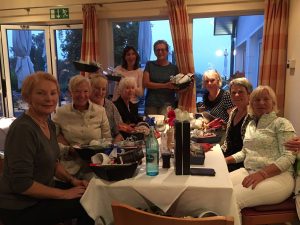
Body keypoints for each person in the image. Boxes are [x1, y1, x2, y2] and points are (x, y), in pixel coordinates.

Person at [0, 72, 94, 225]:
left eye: (53, 93)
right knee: (88, 206)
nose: (49, 98)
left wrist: (73, 181)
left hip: (42, 192)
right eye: (40, 93)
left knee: (91, 193)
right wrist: (64, 194)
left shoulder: (48, 123)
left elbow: (54, 163)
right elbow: (21, 184)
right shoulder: (23, 129)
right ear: (27, 97)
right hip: (21, 206)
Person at [226, 85, 296, 210]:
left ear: (273, 103)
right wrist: (224, 160)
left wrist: (262, 174)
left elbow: (288, 157)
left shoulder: (281, 123)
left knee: (231, 199)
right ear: (251, 104)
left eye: (266, 99)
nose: (261, 103)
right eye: (257, 100)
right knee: (220, 189)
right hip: (249, 171)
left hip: (280, 176)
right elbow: (244, 152)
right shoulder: (251, 125)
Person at [52, 75, 111, 177]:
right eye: (77, 91)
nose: (82, 95)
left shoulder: (100, 111)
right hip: (69, 168)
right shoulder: (61, 113)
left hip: (95, 167)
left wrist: (97, 147)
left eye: (85, 91)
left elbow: (107, 139)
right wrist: (68, 149)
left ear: (90, 92)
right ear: (70, 93)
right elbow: (52, 140)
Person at [221, 78, 253, 172]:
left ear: (249, 94)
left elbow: (250, 150)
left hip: (242, 162)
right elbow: (228, 140)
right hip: (228, 155)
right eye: (233, 92)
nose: (236, 95)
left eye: (240, 92)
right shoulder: (233, 112)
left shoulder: (254, 114)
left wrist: (223, 160)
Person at [143, 40, 179, 115]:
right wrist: (165, 85)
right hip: (151, 103)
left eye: (162, 50)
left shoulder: (174, 68)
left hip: (168, 103)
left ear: (167, 51)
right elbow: (146, 83)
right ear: (155, 52)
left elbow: (177, 87)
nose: (160, 52)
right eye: (157, 50)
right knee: (151, 125)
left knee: (166, 125)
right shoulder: (149, 64)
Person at [90, 74, 124, 143]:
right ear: (90, 88)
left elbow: (120, 131)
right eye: (97, 88)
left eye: (103, 89)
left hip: (109, 145)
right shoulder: (84, 105)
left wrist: (114, 145)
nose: (100, 92)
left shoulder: (110, 105)